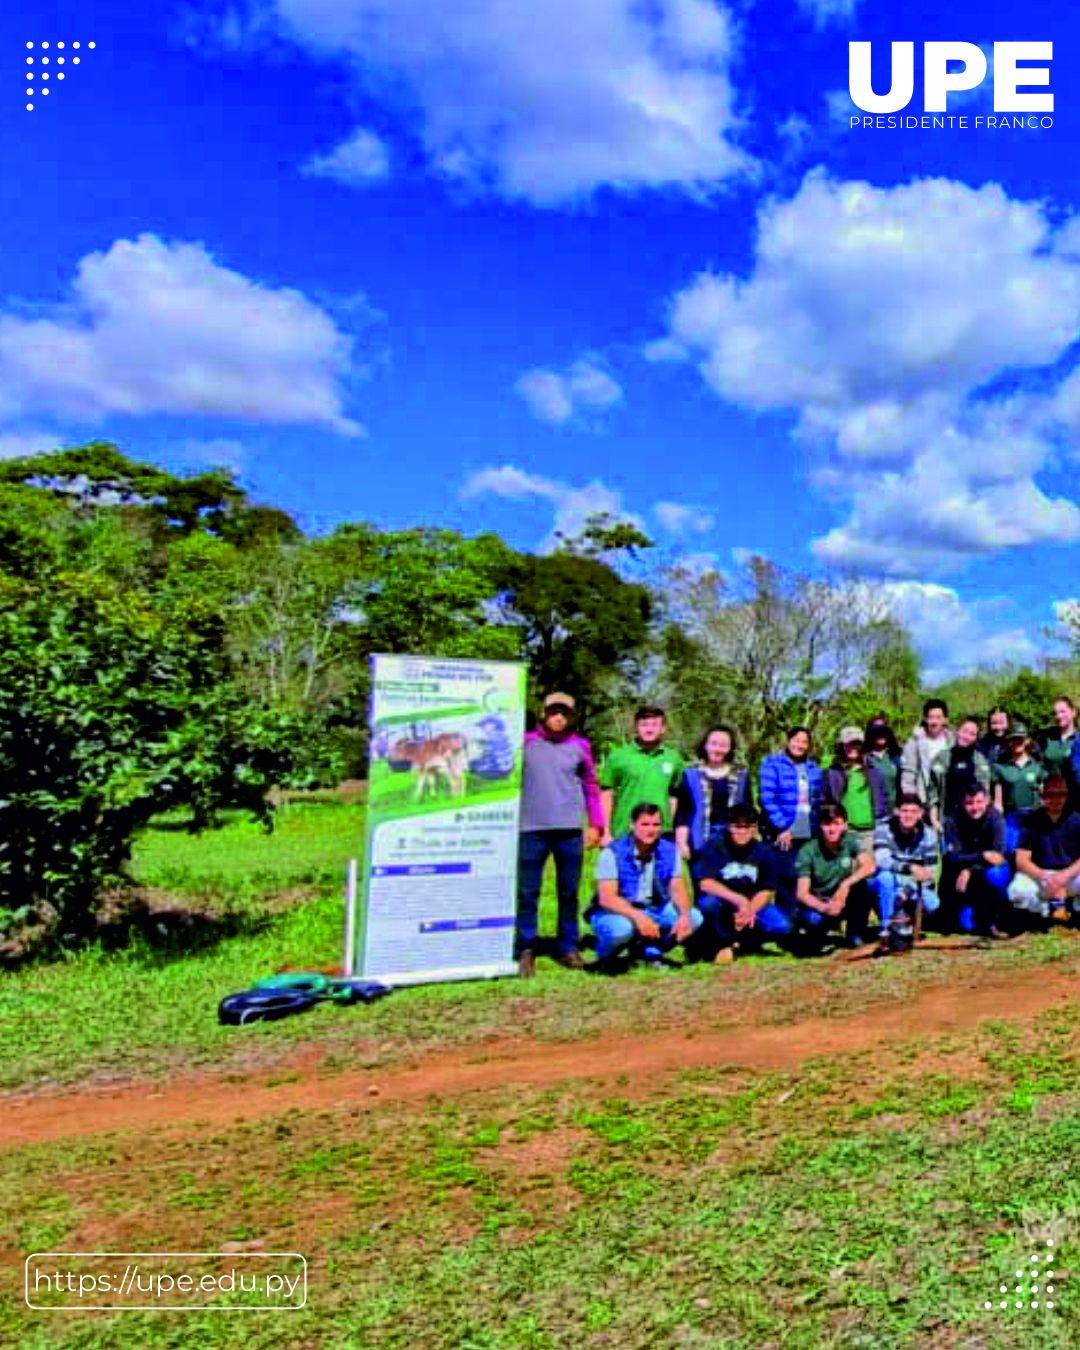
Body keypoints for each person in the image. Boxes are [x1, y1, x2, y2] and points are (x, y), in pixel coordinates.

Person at [515, 693, 604, 978]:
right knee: (528, 892)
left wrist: (596, 824)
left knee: (569, 892)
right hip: (531, 828)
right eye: (554, 712)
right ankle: (526, 948)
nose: (559, 718)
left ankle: (568, 946)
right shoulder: (525, 742)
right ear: (543, 713)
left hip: (568, 829)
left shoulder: (581, 746)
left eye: (564, 713)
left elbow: (591, 786)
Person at [588, 803, 703, 970]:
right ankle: (605, 955)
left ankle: (651, 952)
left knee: (695, 918)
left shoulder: (670, 850)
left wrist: (684, 915)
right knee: (621, 930)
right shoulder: (612, 852)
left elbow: (678, 887)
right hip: (616, 910)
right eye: (645, 824)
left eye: (656, 825)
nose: (651, 830)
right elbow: (607, 898)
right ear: (632, 825)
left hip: (655, 907)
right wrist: (639, 917)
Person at [694, 805, 794, 964]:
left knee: (782, 926)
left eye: (748, 827)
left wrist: (750, 910)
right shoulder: (714, 845)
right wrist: (739, 900)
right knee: (707, 904)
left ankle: (746, 940)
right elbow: (705, 883)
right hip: (723, 902)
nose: (742, 832)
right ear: (728, 826)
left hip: (752, 904)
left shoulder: (764, 852)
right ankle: (723, 941)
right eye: (737, 826)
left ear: (755, 829)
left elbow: (767, 890)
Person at [674, 725, 753, 894]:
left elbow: (749, 809)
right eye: (714, 743)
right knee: (703, 888)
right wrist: (681, 843)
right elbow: (683, 813)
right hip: (700, 838)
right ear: (705, 745)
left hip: (733, 838)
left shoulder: (741, 774)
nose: (718, 749)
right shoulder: (690, 774)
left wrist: (750, 838)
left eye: (724, 745)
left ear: (731, 748)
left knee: (733, 886)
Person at [599, 706, 686, 845]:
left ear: (663, 729)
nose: (649, 729)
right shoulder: (618, 756)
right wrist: (606, 832)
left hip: (662, 834)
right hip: (624, 831)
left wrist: (670, 826)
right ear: (635, 727)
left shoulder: (674, 758)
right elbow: (606, 795)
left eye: (655, 725)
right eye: (644, 724)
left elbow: (674, 795)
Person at [793, 804, 875, 952]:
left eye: (836, 823)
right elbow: (801, 893)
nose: (832, 829)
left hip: (842, 898)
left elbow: (869, 866)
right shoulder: (808, 850)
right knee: (813, 933)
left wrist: (845, 885)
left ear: (845, 824)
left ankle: (854, 932)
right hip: (819, 902)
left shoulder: (850, 840)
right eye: (826, 824)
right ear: (819, 825)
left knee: (867, 885)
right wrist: (824, 907)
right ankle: (816, 933)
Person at [939, 781, 1011, 938]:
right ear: (962, 802)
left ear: (987, 800)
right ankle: (959, 909)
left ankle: (996, 918)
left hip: (985, 870)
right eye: (969, 803)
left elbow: (998, 856)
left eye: (979, 802)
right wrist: (982, 855)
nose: (975, 807)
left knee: (996, 874)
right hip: (961, 869)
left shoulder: (995, 818)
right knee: (966, 927)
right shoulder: (952, 819)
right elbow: (954, 857)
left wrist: (970, 870)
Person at [1007, 775, 1080, 924]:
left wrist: (1064, 876)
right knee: (1016, 892)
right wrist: (1046, 877)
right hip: (1042, 876)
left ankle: (1074, 907)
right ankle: (1046, 910)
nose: (1056, 799)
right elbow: (1021, 860)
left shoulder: (1077, 819)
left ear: (1067, 796)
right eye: (1051, 794)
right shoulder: (1031, 821)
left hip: (1070, 875)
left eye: (1061, 794)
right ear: (1043, 796)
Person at [871, 792, 941, 943]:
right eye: (904, 811)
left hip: (912, 885)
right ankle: (886, 928)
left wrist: (906, 892)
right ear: (896, 811)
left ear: (921, 813)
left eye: (914, 811)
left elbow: (931, 872)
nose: (908, 815)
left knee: (933, 904)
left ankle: (906, 923)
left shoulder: (929, 835)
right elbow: (881, 860)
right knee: (884, 877)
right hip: (889, 880)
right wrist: (909, 867)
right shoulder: (883, 828)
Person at [822, 726, 891, 856]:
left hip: (870, 832)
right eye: (849, 744)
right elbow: (824, 802)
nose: (853, 748)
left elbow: (883, 799)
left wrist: (881, 822)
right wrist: (835, 824)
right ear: (841, 745)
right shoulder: (831, 772)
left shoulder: (874, 772)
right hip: (845, 832)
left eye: (857, 744)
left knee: (869, 870)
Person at [928, 715, 992, 834]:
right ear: (957, 731)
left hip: (974, 820)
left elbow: (985, 793)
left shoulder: (980, 760)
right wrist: (934, 818)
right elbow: (933, 792)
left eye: (972, 734)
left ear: (976, 738)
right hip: (947, 819)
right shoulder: (942, 758)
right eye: (964, 731)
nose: (966, 736)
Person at [992, 721, 1045, 855]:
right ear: (1008, 742)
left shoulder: (1037, 767)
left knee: (1036, 853)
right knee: (1012, 852)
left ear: (1027, 740)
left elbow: (1044, 796)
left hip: (1034, 817)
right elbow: (998, 802)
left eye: (1020, 738)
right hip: (1012, 820)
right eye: (1013, 739)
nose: (1017, 742)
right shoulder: (1000, 768)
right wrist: (998, 823)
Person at [901, 699, 954, 815]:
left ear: (945, 719)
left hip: (949, 804)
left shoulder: (953, 742)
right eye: (931, 717)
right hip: (923, 805)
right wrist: (913, 807)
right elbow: (908, 777)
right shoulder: (913, 743)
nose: (934, 722)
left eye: (939, 717)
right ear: (925, 719)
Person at [1040, 697, 1080, 811]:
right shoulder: (1046, 738)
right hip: (1051, 799)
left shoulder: (1078, 740)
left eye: (1063, 711)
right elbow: (1041, 765)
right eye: (1055, 713)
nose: (1058, 716)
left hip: (1076, 798)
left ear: (1073, 712)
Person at [865, 716, 903, 815]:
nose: (881, 735)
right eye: (877, 732)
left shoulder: (896, 757)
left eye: (884, 732)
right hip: (871, 814)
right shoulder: (864, 758)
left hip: (894, 813)